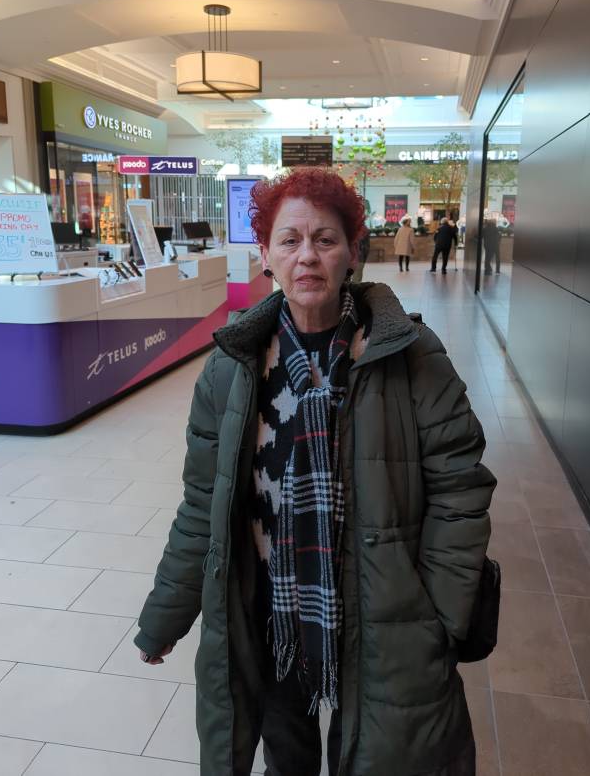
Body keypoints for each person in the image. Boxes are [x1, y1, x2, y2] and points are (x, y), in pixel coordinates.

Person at [134, 166, 496, 776]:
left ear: (353, 252)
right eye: (290, 240)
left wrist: (439, 616)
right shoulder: (232, 370)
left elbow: (461, 492)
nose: (307, 256)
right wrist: (164, 617)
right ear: (266, 255)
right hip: (271, 612)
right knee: (286, 759)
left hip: (382, 619)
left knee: (382, 755)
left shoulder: (411, 357)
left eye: (325, 239)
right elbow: (203, 507)